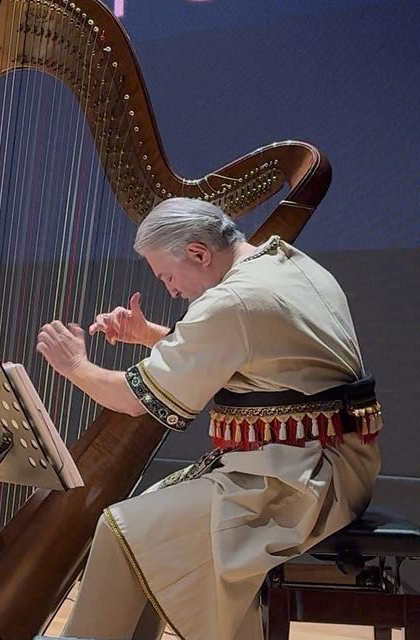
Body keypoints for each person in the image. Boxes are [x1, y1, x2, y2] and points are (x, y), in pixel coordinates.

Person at [36, 198, 382, 640]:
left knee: (120, 527)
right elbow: (258, 355)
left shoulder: (232, 300)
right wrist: (150, 336)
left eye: (167, 275)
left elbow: (132, 400)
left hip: (299, 482)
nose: (172, 290)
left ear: (199, 253)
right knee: (148, 531)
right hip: (337, 461)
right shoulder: (285, 263)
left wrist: (74, 366)